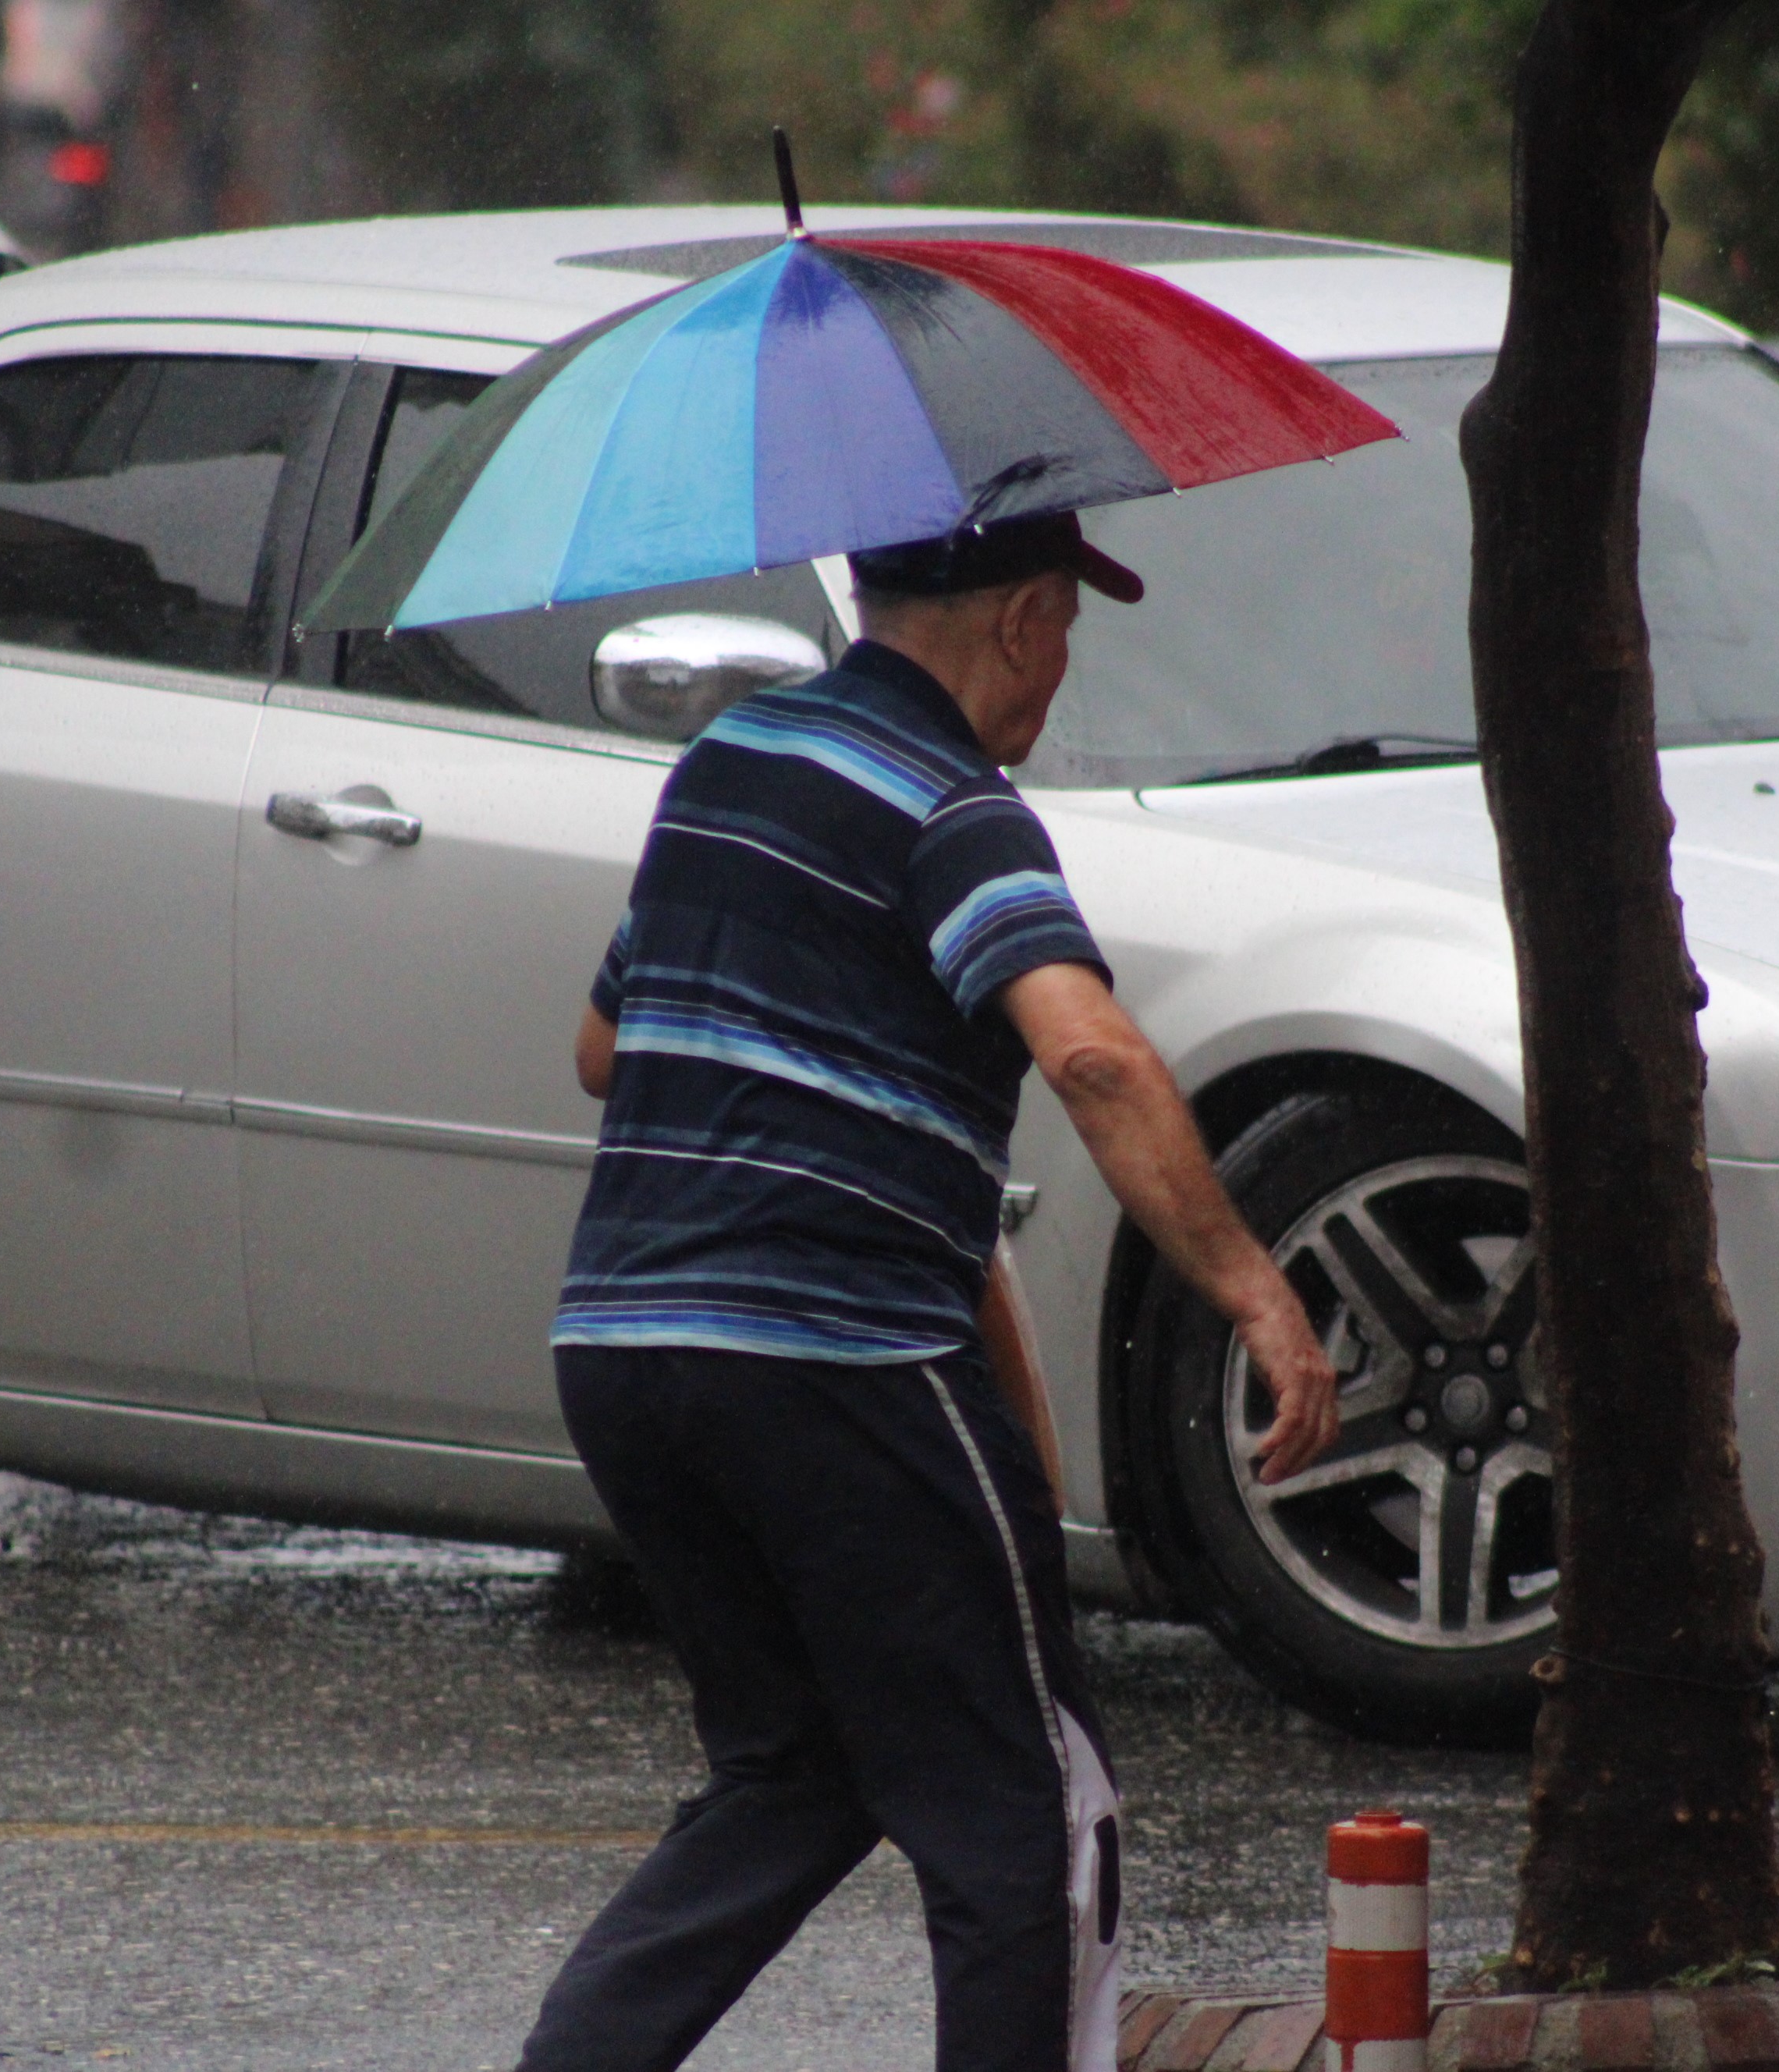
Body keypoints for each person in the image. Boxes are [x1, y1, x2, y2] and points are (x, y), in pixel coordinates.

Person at [520, 511, 1344, 2072]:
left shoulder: (731, 763)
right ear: (1026, 618)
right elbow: (1090, 1050)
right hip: (831, 1354)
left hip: (624, 1343)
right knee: (1026, 1808)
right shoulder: (957, 810)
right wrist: (1256, 1290)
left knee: (795, 1766)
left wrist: (845, 1066)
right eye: (1068, 629)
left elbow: (604, 1047)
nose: (1061, 665)